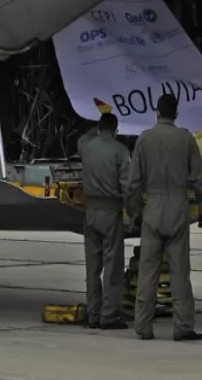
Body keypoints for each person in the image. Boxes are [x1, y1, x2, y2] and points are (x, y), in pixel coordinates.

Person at [129, 93, 202, 342]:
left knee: (148, 269)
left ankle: (142, 325)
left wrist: (134, 212)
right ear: (176, 114)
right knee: (179, 271)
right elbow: (199, 180)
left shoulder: (144, 139)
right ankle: (182, 326)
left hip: (152, 207)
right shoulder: (185, 139)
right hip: (177, 207)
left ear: (157, 112)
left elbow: (132, 184)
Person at [79, 112, 135, 330]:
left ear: (100, 127)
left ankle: (93, 313)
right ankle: (109, 315)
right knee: (112, 265)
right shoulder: (120, 151)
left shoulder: (87, 147)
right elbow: (127, 187)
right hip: (110, 211)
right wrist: (132, 211)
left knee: (92, 267)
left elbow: (81, 140)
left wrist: (94, 131)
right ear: (116, 129)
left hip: (90, 211)